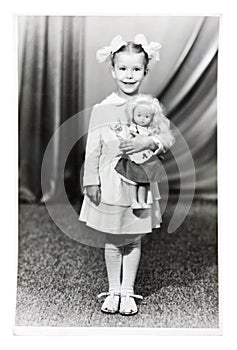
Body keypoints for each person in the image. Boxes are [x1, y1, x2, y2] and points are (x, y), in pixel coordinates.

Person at [79, 34, 175, 315]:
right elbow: (92, 147)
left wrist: (150, 142)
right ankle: (113, 289)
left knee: (133, 237)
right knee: (112, 237)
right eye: (123, 68)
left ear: (145, 71)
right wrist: (91, 180)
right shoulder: (102, 108)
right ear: (113, 70)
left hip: (139, 183)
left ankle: (127, 291)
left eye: (136, 69)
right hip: (111, 181)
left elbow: (166, 138)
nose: (129, 75)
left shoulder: (150, 106)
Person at [115, 94, 175, 209]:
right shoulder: (132, 128)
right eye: (139, 115)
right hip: (134, 159)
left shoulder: (150, 130)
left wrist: (150, 142)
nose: (142, 119)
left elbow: (162, 140)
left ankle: (142, 201)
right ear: (132, 115)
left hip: (146, 160)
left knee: (144, 182)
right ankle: (133, 201)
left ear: (153, 118)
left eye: (147, 116)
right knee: (133, 181)